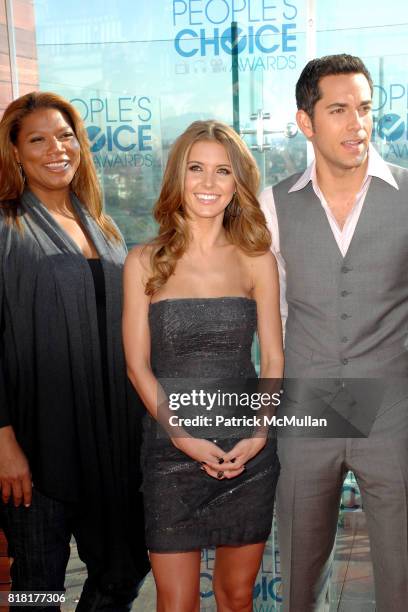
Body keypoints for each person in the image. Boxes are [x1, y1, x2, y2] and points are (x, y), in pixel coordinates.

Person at [260, 53, 408, 612]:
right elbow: (271, 318)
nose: (357, 124)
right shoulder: (273, 204)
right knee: (298, 573)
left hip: (392, 407)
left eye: (365, 108)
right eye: (339, 109)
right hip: (308, 406)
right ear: (306, 122)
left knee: (401, 572)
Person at [123, 120, 283, 612]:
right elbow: (136, 366)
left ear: (238, 184)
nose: (209, 183)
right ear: (178, 175)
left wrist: (258, 435)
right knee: (176, 604)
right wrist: (182, 437)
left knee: (237, 598)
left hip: (247, 452)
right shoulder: (144, 261)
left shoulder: (256, 258)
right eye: (196, 169)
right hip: (172, 452)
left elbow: (274, 358)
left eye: (222, 172)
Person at [0, 92, 149, 611]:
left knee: (123, 569)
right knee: (38, 585)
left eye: (65, 136)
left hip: (111, 439)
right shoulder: (6, 226)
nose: (56, 149)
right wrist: (4, 442)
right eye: (37, 139)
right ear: (15, 152)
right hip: (36, 442)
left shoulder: (102, 226)